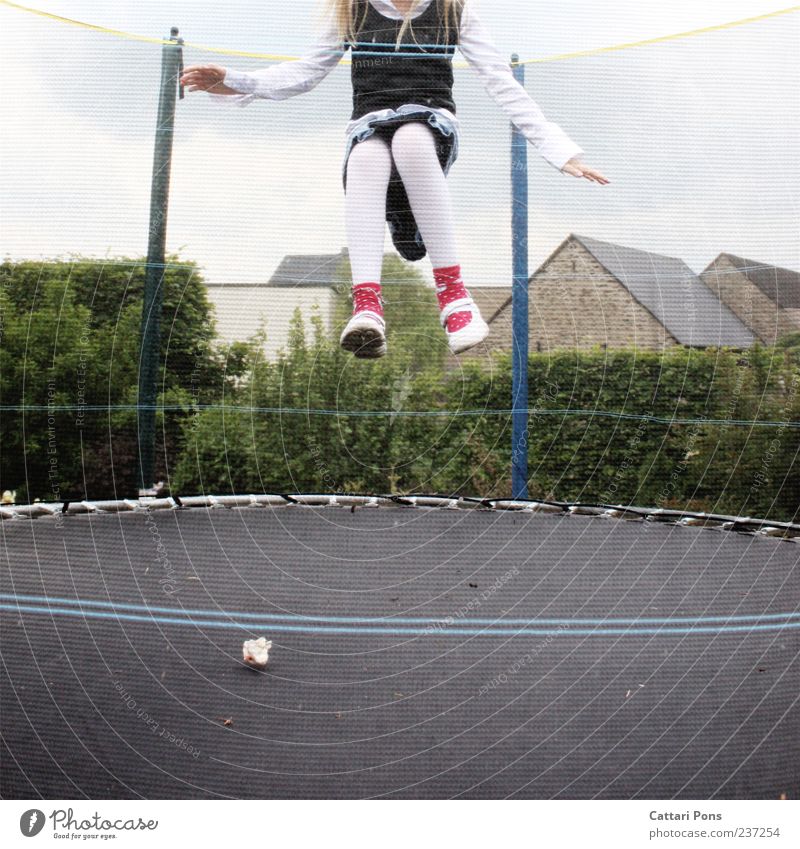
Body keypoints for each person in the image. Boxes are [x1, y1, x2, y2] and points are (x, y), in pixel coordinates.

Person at [181, 0, 609, 358]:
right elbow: (305, 72)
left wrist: (560, 150)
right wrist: (236, 81)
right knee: (365, 157)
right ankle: (366, 304)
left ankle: (454, 297)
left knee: (410, 140)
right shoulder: (353, 10)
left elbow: (500, 81)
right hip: (369, 122)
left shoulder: (451, 11)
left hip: (430, 122)